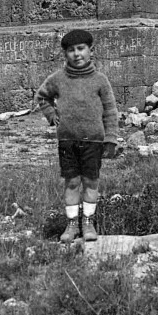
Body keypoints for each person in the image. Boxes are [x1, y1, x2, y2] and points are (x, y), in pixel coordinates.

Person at [35, 29, 119, 242]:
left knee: (91, 182)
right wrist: (51, 115)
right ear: (65, 54)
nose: (76, 54)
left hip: (94, 141)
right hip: (67, 141)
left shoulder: (100, 80)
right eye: (71, 50)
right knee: (72, 182)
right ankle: (71, 225)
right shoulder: (58, 79)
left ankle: (88, 223)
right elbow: (42, 96)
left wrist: (111, 138)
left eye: (81, 49)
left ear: (91, 50)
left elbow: (110, 111)